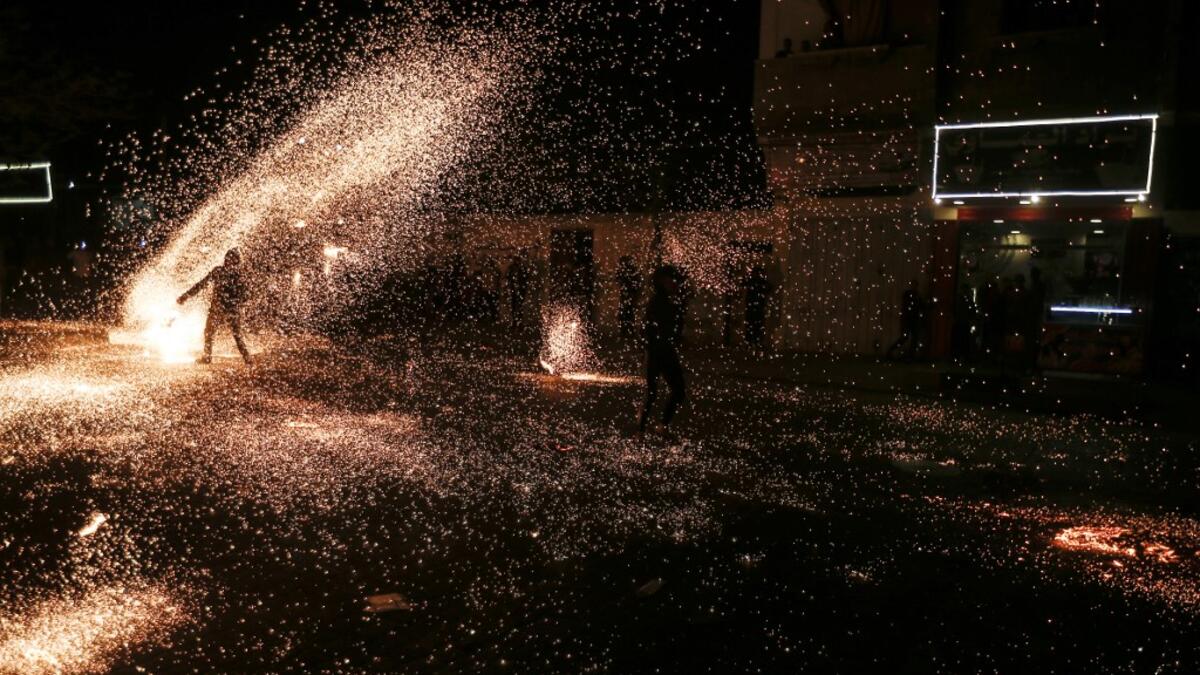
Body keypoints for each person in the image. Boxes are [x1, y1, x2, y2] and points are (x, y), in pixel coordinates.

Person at [177, 248, 253, 364]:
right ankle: (245, 358)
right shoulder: (223, 272)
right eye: (227, 258)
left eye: (230, 258)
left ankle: (246, 358)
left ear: (236, 261)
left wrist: (185, 296)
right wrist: (185, 296)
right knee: (211, 332)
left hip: (224, 308)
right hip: (223, 308)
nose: (227, 261)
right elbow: (201, 284)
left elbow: (246, 295)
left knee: (233, 335)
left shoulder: (231, 274)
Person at [638, 265, 687, 436]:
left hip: (663, 350)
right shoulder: (659, 301)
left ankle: (655, 426)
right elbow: (652, 327)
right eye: (671, 281)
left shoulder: (669, 300)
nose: (675, 284)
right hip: (659, 351)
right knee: (655, 392)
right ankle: (647, 428)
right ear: (662, 282)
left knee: (674, 391)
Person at [886, 279, 923, 360]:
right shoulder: (908, 294)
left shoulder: (917, 295)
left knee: (914, 339)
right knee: (904, 338)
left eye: (915, 285)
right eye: (913, 285)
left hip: (913, 320)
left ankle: (910, 357)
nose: (914, 287)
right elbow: (907, 306)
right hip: (907, 319)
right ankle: (890, 351)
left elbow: (920, 306)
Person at [744, 264, 772, 347]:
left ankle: (753, 342)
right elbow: (768, 288)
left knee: (754, 325)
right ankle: (753, 342)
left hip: (755, 306)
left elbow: (768, 288)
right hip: (754, 306)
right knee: (753, 324)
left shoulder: (757, 281)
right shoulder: (755, 281)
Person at [616, 256, 642, 342]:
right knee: (624, 313)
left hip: (630, 294)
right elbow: (618, 279)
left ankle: (628, 331)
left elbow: (637, 283)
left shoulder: (632, 271)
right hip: (625, 295)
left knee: (629, 313)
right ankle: (625, 331)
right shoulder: (625, 271)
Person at [507, 252, 530, 327]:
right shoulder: (512, 268)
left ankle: (519, 323)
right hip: (514, 288)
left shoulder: (522, 268)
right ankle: (514, 322)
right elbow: (508, 277)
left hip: (520, 289)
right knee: (514, 306)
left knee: (519, 306)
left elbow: (526, 278)